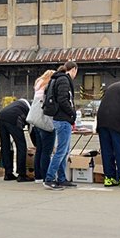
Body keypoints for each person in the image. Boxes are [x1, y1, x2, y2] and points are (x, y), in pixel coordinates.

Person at [43, 61, 78, 191]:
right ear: (73, 69)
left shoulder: (57, 78)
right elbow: (63, 100)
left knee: (64, 151)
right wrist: (72, 113)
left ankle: (62, 179)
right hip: (63, 119)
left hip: (60, 119)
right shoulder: (64, 80)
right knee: (61, 151)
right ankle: (50, 178)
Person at [27, 70, 56, 185]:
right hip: (45, 121)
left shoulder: (38, 87)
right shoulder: (48, 87)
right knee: (46, 151)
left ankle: (38, 176)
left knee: (39, 150)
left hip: (35, 122)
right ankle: (45, 177)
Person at [0, 98, 31, 181]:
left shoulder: (19, 103)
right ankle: (21, 174)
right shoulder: (31, 110)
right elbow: (32, 128)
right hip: (13, 118)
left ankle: (8, 173)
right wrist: (36, 144)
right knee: (21, 146)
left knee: (5, 145)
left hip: (1, 116)